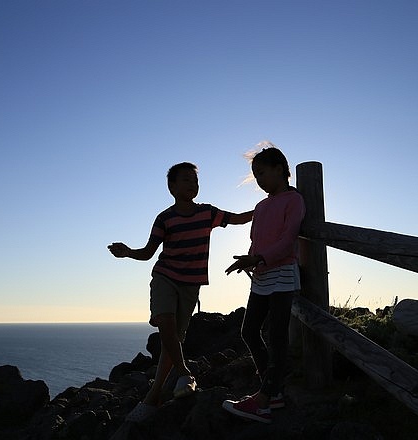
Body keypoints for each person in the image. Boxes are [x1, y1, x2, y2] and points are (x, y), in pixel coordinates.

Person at [108, 162, 252, 422]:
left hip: (191, 284)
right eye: (186, 180)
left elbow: (239, 218)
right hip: (165, 276)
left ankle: (154, 396)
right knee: (165, 322)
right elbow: (149, 253)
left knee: (171, 340)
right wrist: (128, 252)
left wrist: (265, 207)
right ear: (171, 187)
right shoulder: (165, 218)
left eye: (195, 180)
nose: (192, 184)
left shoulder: (208, 213)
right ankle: (185, 372)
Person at [221, 144, 305, 424]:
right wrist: (250, 260)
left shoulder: (294, 200)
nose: (258, 179)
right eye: (255, 175)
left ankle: (265, 401)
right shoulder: (261, 206)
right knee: (249, 331)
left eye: (261, 172)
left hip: (281, 275)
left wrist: (258, 258)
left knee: (278, 337)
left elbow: (287, 240)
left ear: (279, 168)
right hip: (261, 275)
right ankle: (273, 389)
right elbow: (257, 239)